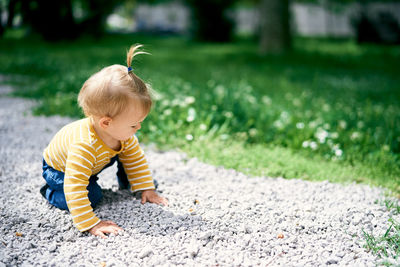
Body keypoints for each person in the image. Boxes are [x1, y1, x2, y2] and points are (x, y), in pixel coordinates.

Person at [40, 44, 168, 238]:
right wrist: (91, 224)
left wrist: (147, 187)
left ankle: (132, 184)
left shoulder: (123, 135)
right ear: (106, 123)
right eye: (134, 125)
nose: (138, 128)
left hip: (95, 160)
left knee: (128, 155)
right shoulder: (84, 145)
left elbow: (136, 159)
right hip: (60, 170)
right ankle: (50, 192)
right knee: (92, 195)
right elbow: (75, 185)